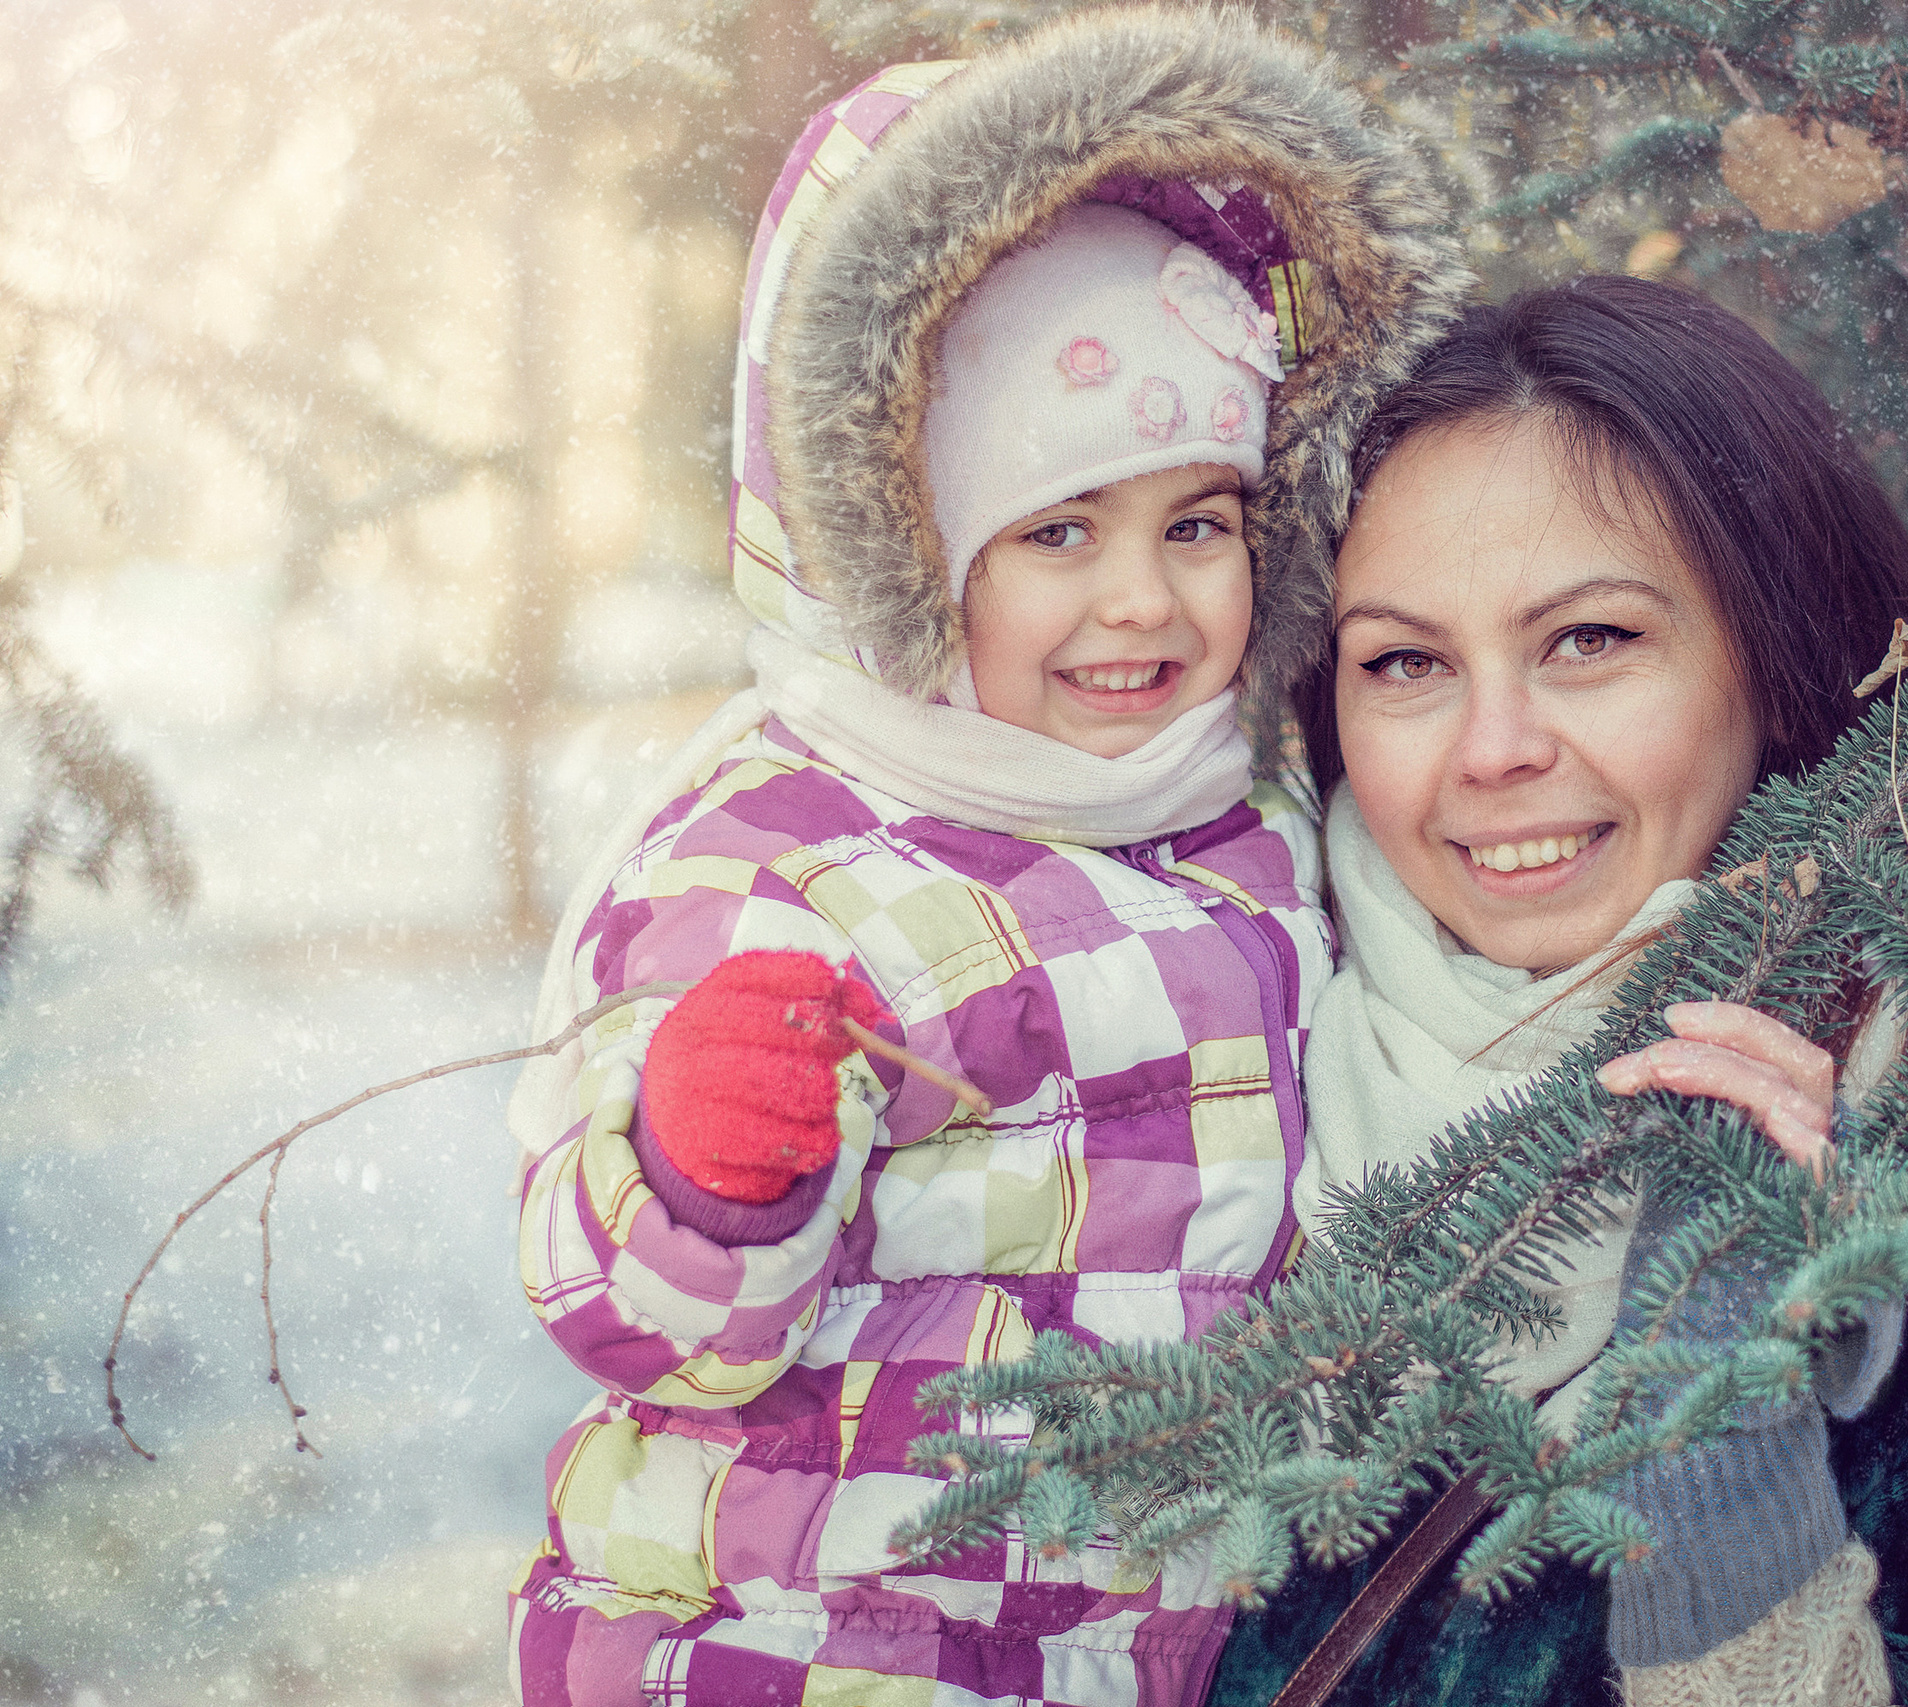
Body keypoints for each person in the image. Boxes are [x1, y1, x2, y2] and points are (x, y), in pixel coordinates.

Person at [500, 11, 1464, 1704]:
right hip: (809, 1636)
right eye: (1058, 533)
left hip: (1147, 1647)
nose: (1143, 602)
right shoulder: (775, 861)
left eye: (1199, 522)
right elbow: (637, 1325)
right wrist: (711, 1171)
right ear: (907, 544)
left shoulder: (1252, 815)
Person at [1205, 277, 1908, 1707]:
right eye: (1405, 662)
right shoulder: (1204, 1062)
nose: (1494, 747)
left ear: (1775, 659)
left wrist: (1724, 1459)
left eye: (1590, 640)